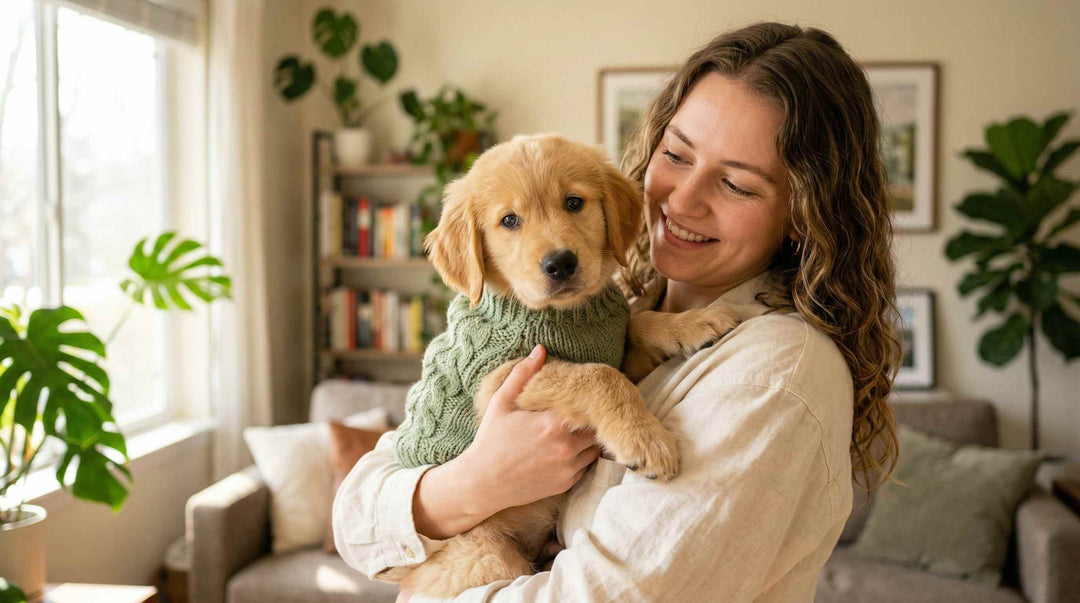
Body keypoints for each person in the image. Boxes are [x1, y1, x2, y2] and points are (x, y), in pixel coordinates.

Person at [333, 21, 902, 602]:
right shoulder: (616, 313)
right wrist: (472, 484)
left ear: (805, 212)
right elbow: (355, 520)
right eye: (677, 155)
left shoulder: (775, 372)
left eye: (735, 184)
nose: (682, 201)